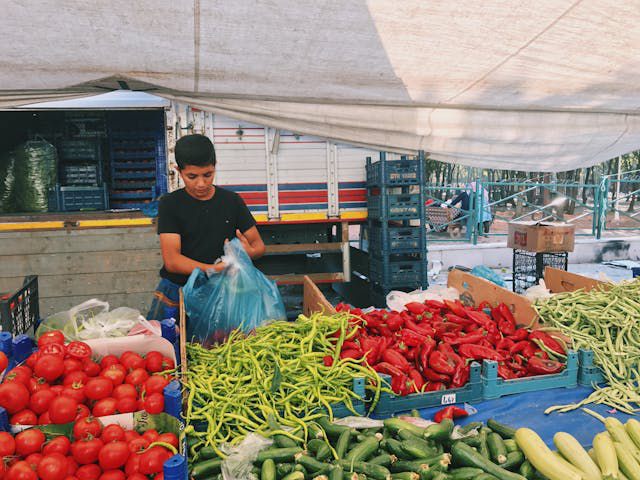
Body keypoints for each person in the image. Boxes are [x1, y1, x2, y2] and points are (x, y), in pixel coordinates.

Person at [147, 134, 266, 320]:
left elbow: (258, 246)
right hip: (179, 291)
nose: (201, 183)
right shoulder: (170, 204)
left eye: (208, 175)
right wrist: (213, 269)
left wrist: (242, 254)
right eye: (192, 176)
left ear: (215, 166)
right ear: (179, 170)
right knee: (171, 345)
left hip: (223, 292)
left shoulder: (232, 201)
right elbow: (172, 260)